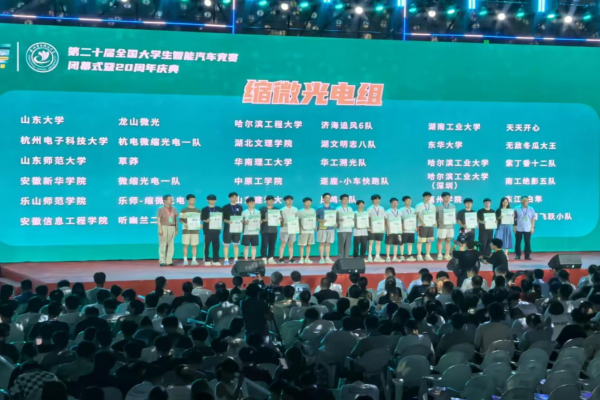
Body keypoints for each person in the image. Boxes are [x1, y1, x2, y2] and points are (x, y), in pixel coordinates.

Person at [180, 194, 202, 266]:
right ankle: (185, 260)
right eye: (191, 200)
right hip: (186, 230)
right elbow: (180, 219)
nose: (193, 201)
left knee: (194, 245)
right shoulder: (184, 210)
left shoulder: (197, 210)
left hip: (195, 230)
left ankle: (194, 260)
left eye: (194, 200)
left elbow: (198, 220)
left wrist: (200, 225)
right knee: (185, 245)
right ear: (188, 200)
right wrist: (184, 224)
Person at [201, 194, 223, 266]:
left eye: (213, 199)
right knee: (207, 245)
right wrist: (206, 220)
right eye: (210, 199)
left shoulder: (219, 209)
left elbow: (221, 219)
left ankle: (215, 260)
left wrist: (220, 226)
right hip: (207, 230)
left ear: (215, 200)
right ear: (207, 200)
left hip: (216, 230)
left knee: (216, 245)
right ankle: (207, 260)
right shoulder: (204, 209)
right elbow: (202, 219)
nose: (212, 201)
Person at [157, 194, 178, 267]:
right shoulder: (161, 209)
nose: (171, 200)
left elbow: (175, 219)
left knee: (171, 245)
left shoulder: (174, 208)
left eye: (171, 199)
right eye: (169, 199)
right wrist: (160, 229)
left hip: (172, 227)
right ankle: (162, 261)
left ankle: (169, 261)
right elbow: (158, 219)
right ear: (164, 200)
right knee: (163, 244)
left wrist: (176, 229)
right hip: (164, 227)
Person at [514, 195, 536, 260]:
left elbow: (533, 218)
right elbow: (514, 218)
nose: (524, 201)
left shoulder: (531, 209)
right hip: (518, 227)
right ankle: (518, 255)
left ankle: (527, 255)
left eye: (526, 200)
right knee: (518, 242)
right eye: (523, 200)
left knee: (527, 242)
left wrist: (533, 227)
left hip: (528, 227)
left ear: (528, 201)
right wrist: (514, 227)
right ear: (520, 201)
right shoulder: (516, 208)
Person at [436, 192, 456, 261]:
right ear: (442, 198)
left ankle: (447, 254)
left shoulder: (453, 206)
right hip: (441, 226)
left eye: (448, 197)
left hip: (450, 226)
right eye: (445, 197)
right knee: (440, 240)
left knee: (448, 240)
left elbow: (454, 216)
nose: (447, 198)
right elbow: (435, 216)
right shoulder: (438, 206)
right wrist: (438, 220)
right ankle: (439, 254)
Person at [415, 192, 435, 261]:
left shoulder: (432, 206)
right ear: (423, 197)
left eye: (429, 196)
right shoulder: (419, 205)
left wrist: (434, 222)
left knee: (429, 241)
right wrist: (421, 222)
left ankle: (427, 255)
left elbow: (433, 216)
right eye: (426, 196)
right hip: (422, 226)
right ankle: (419, 255)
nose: (428, 197)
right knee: (420, 241)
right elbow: (416, 215)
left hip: (430, 226)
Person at [316, 193, 335, 264]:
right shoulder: (319, 208)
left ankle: (327, 257)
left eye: (329, 198)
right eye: (326, 198)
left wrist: (335, 224)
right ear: (323, 199)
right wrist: (320, 220)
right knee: (321, 243)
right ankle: (321, 258)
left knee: (328, 243)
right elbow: (316, 218)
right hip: (322, 228)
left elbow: (334, 218)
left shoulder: (333, 208)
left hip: (330, 228)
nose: (327, 199)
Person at [260, 195, 279, 265]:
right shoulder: (262, 209)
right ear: (266, 201)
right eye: (269, 200)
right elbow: (259, 220)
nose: (271, 201)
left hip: (274, 230)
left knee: (272, 245)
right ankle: (264, 258)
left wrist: (280, 219)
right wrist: (264, 220)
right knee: (264, 244)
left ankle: (271, 258)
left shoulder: (276, 209)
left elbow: (279, 219)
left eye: (272, 200)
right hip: (265, 230)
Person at [279, 195, 298, 263]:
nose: (289, 201)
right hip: (284, 229)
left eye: (291, 200)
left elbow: (297, 219)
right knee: (283, 244)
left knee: (291, 244)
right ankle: (281, 258)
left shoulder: (295, 209)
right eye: (287, 200)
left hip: (293, 229)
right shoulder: (282, 209)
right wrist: (282, 222)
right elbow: (280, 221)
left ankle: (291, 258)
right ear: (285, 201)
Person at [367, 194, 385, 263]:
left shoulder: (382, 208)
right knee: (371, 242)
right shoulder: (369, 208)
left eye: (378, 199)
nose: (377, 200)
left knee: (378, 242)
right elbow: (368, 218)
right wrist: (369, 227)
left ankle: (377, 256)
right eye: (375, 199)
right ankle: (369, 256)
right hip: (372, 228)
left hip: (380, 228)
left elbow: (383, 218)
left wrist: (383, 227)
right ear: (372, 200)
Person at [241, 197, 260, 261]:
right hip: (246, 232)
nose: (252, 204)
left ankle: (253, 259)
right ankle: (246, 259)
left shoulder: (258, 212)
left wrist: (260, 221)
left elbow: (259, 220)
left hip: (255, 232)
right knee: (246, 246)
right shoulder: (244, 212)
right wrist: (245, 222)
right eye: (250, 202)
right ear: (247, 203)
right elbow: (241, 221)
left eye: (253, 202)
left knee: (254, 247)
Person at [336, 194, 354, 259]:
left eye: (347, 199)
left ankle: (346, 257)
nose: (346, 200)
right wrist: (339, 220)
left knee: (348, 244)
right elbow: (335, 219)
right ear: (341, 200)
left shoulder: (350, 209)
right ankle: (341, 257)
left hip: (349, 229)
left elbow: (352, 217)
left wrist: (353, 220)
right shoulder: (338, 209)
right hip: (341, 229)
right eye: (344, 199)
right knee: (341, 244)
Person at [384, 197, 402, 262]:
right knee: (388, 244)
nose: (395, 204)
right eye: (394, 202)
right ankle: (388, 257)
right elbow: (385, 221)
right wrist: (387, 229)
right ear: (391, 203)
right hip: (390, 230)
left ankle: (394, 257)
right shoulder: (387, 211)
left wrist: (401, 229)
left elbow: (401, 221)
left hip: (397, 230)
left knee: (396, 244)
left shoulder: (399, 211)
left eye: (396, 202)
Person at [399, 196, 416, 261]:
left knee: (410, 243)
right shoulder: (401, 210)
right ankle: (401, 255)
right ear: (404, 201)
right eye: (407, 200)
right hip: (404, 229)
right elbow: (399, 219)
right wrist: (401, 227)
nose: (409, 202)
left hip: (411, 229)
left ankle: (409, 255)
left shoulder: (413, 210)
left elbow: (414, 219)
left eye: (410, 200)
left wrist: (414, 226)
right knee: (402, 243)